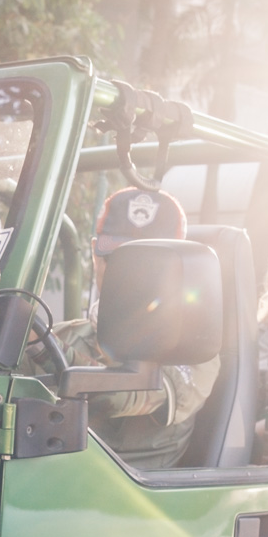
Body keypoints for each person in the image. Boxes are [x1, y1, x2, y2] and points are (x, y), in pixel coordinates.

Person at [42, 186, 221, 470]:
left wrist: (38, 345)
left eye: (146, 264)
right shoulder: (61, 335)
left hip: (131, 504)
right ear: (94, 254)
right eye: (114, 258)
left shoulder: (192, 349)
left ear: (180, 269)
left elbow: (120, 398)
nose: (126, 273)